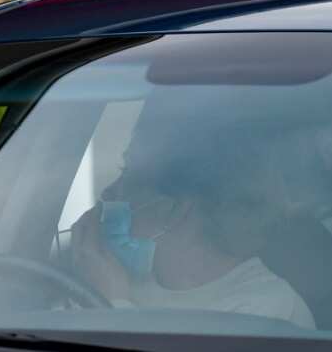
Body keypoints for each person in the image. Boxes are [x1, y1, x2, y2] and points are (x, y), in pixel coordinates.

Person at [70, 113, 314, 328]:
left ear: (176, 208)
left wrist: (112, 304)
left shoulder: (267, 310)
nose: (108, 192)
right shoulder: (113, 277)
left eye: (128, 174)